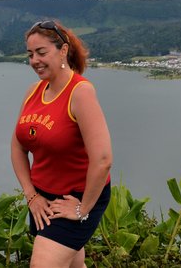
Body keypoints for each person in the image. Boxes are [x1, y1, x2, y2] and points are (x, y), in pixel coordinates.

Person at [11, 19, 113, 268]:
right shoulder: (33, 91)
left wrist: (82, 209)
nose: (35, 60)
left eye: (42, 52)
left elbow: (103, 160)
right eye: (30, 54)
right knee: (73, 264)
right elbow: (17, 147)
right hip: (43, 199)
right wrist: (31, 195)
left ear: (63, 50)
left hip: (76, 197)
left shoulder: (80, 93)